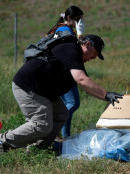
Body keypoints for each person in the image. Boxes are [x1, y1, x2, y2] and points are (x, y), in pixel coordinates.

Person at [0, 34, 123, 153]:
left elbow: (84, 84)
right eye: (95, 53)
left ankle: (39, 149)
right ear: (88, 44)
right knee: (42, 124)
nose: (94, 57)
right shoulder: (71, 49)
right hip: (28, 87)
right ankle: (1, 141)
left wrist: (104, 96)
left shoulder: (74, 55)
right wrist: (107, 95)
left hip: (44, 92)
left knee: (61, 114)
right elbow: (82, 80)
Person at [47, 6, 85, 138]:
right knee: (73, 103)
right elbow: (71, 51)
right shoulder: (65, 30)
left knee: (66, 106)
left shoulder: (61, 29)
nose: (80, 23)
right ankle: (52, 128)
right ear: (69, 18)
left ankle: (65, 137)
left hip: (60, 72)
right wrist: (80, 35)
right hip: (64, 72)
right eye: (78, 20)